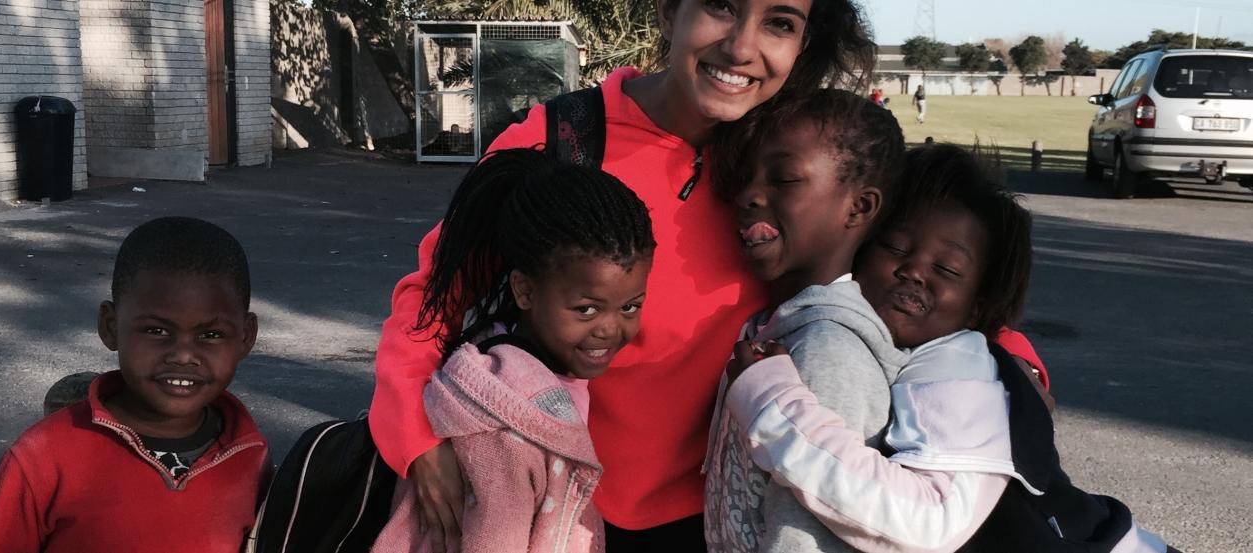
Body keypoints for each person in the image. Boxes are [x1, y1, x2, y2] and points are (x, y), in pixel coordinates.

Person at [369, 1, 1042, 549]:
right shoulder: (565, 142)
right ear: (670, 11)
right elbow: (431, 300)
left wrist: (1011, 359)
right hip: (561, 518)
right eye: (721, 6)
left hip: (714, 525)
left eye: (780, 21)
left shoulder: (794, 169)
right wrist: (416, 438)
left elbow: (909, 261)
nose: (742, 45)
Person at [713, 144, 1171, 552]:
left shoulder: (960, 374)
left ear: (979, 306)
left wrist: (773, 406)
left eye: (948, 270)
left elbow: (929, 521)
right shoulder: (885, 341)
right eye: (895, 247)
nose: (914, 271)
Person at [370, 149, 656, 553]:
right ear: (524, 290)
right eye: (586, 309)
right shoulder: (506, 431)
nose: (610, 328)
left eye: (630, 306)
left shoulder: (528, 364)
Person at [0, 216, 271, 553]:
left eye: (211, 335)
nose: (184, 355)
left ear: (245, 337)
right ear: (110, 326)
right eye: (157, 331)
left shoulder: (251, 457)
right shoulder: (43, 458)